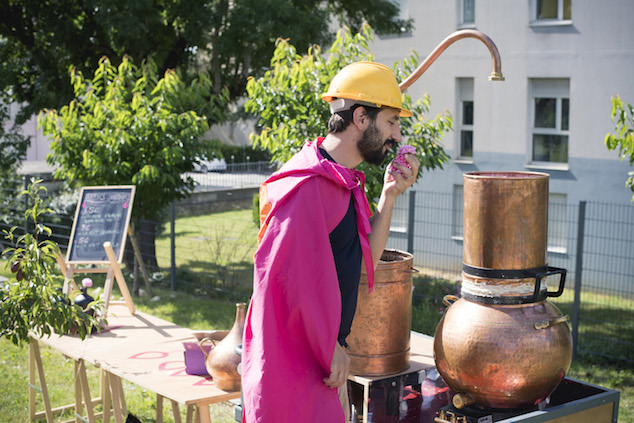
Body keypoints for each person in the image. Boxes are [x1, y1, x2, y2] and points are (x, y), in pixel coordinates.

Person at [241, 61, 420, 422]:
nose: (397, 136)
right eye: (391, 122)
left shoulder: (341, 181)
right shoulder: (305, 188)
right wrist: (329, 347)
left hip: (323, 361)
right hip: (291, 365)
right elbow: (282, 282)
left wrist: (389, 195)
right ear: (360, 118)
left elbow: (366, 254)